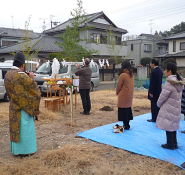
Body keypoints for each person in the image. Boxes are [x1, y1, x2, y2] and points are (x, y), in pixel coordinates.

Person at [4, 51, 41, 156]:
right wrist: (32, 78)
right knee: (25, 129)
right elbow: (34, 91)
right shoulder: (21, 76)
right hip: (23, 108)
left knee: (16, 130)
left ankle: (16, 150)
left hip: (13, 106)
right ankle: (25, 151)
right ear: (23, 65)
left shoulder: (8, 74)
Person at [156, 62, 185, 150]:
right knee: (173, 126)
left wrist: (158, 104)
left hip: (168, 108)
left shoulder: (169, 83)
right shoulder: (179, 82)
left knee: (168, 126)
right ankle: (174, 143)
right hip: (176, 108)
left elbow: (162, 97)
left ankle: (170, 144)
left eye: (165, 70)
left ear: (169, 71)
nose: (164, 72)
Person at [116, 61, 134, 130]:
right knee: (128, 110)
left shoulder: (123, 75)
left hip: (123, 95)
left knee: (122, 110)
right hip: (129, 95)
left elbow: (118, 86)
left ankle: (125, 125)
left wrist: (117, 92)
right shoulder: (131, 75)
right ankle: (127, 124)